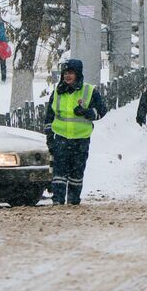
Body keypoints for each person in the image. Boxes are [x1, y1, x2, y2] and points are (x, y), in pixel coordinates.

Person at [44, 58, 110, 204]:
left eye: (71, 73)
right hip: (61, 138)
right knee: (59, 173)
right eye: (65, 73)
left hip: (81, 139)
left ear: (78, 74)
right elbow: (49, 116)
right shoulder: (57, 92)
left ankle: (73, 201)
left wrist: (86, 112)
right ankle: (58, 201)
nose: (67, 76)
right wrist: (49, 136)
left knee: (76, 172)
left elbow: (102, 111)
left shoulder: (89, 91)